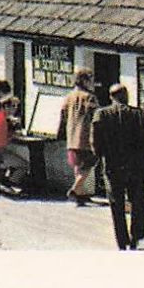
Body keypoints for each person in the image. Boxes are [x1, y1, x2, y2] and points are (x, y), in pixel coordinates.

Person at [91, 83, 144, 250]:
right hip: (137, 166)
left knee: (116, 204)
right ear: (126, 96)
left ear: (111, 97)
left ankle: (122, 241)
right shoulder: (140, 114)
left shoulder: (101, 114)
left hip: (113, 166)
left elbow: (95, 142)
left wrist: (101, 157)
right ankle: (136, 237)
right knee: (138, 203)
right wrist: (142, 158)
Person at [57, 69, 98, 206]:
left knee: (78, 166)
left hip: (72, 136)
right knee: (89, 165)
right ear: (84, 80)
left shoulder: (68, 97)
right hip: (86, 137)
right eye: (90, 79)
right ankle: (75, 189)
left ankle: (81, 194)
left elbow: (63, 115)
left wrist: (62, 132)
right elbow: (95, 117)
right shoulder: (90, 97)